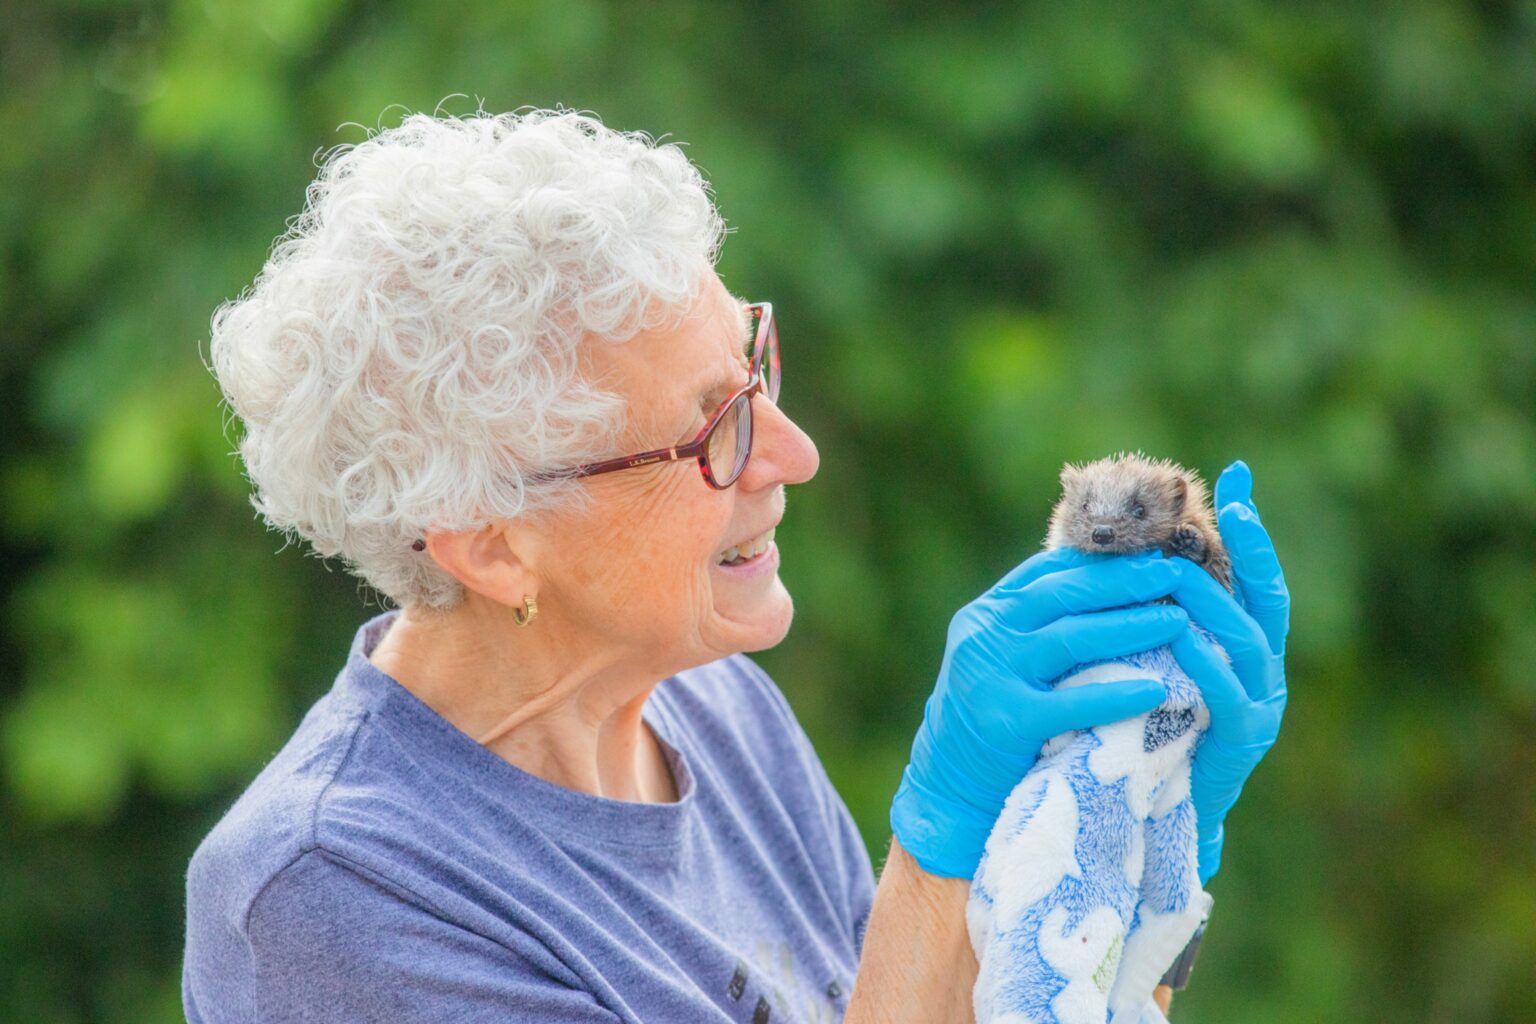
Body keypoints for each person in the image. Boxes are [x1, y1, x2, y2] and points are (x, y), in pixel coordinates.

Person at [183, 109, 1288, 1023]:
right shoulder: (326, 899)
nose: (794, 452)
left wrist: (1144, 839)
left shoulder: (714, 710)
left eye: (752, 365)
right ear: (492, 542)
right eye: (708, 431)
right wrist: (931, 849)